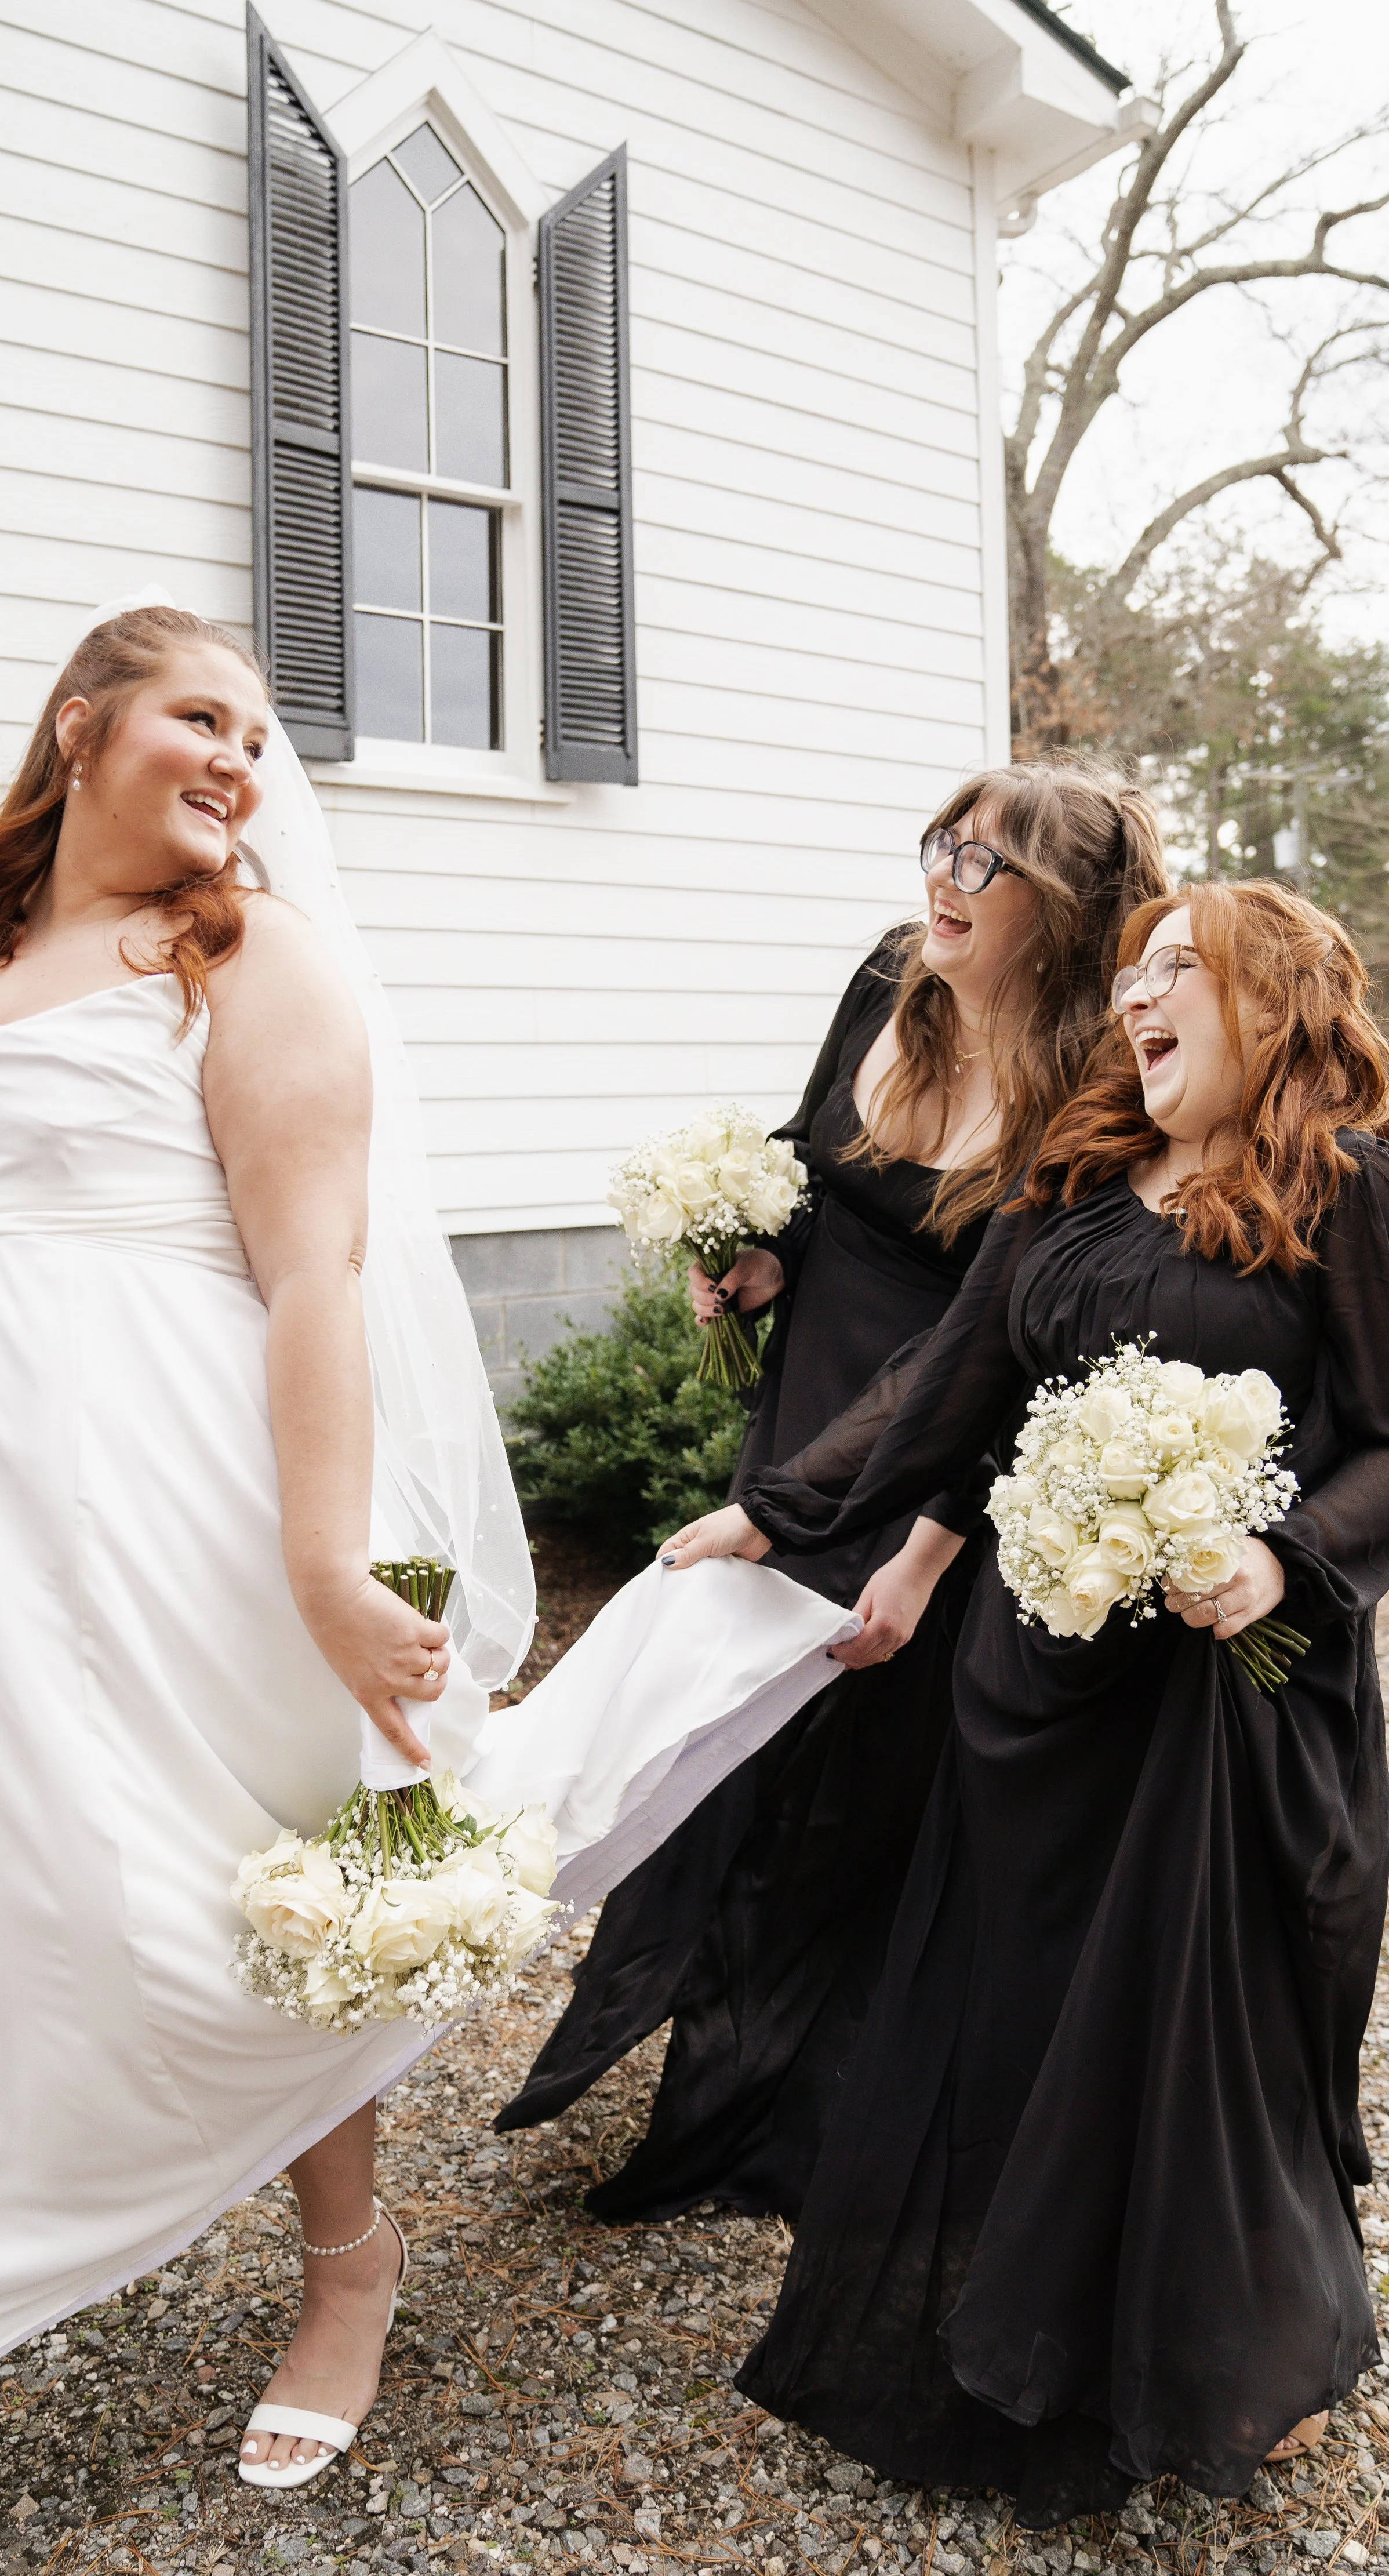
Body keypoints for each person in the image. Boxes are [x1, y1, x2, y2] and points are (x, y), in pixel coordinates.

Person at [0, 604, 851, 2502]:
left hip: (181, 1510)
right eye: (199, 712)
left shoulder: (249, 957)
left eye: (256, 736)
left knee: (256, 1889)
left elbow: (314, 1291)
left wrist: (325, 1562)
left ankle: (346, 2260)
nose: (235, 757)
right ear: (81, 723)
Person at [657, 880, 1389, 2519]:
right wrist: (781, 1505)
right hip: (1036, 1679)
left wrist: (1280, 1559)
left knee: (1203, 2029)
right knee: (1036, 2010)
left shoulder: (1336, 1192)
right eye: (1133, 976)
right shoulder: (1064, 1183)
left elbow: (1387, 1444)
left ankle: (1230, 2351)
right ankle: (1033, 2331)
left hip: (1224, 1704)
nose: (1140, 999)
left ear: (1272, 1001)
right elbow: (947, 1385)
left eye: (1179, 972)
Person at [498, 762, 1170, 2226]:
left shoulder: (1093, 1084)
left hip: (934, 1448)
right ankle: (713, 2078)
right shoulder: (888, 978)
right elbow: (817, 1153)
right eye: (943, 842)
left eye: (985, 867)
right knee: (736, 1755)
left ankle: (825, 2122)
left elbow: (1005, 1336)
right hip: (806, 1404)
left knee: (869, 1780)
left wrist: (925, 1557)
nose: (942, 878)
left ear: (1061, 917)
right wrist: (762, 1256)